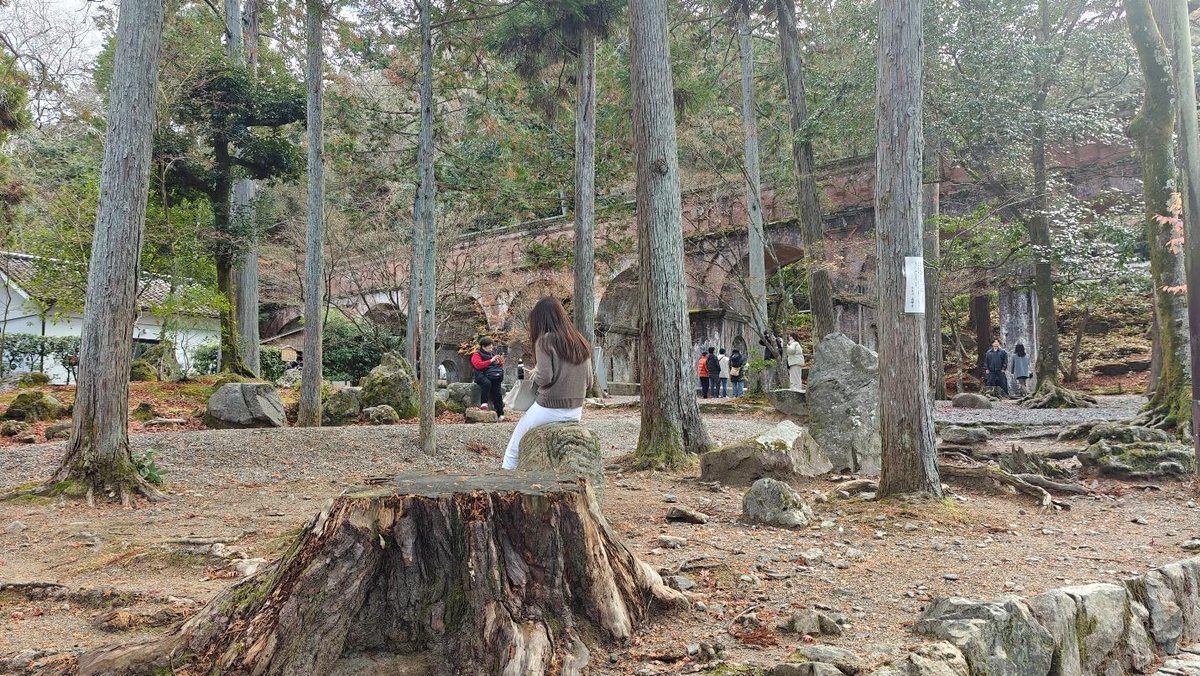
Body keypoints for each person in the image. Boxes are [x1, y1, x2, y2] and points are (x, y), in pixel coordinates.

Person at [502, 297, 594, 470]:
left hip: (549, 408)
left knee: (513, 449)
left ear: (540, 319)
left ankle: (504, 485)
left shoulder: (545, 340)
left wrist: (535, 373)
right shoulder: (581, 341)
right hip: (575, 410)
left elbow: (544, 378)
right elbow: (590, 382)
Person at [472, 337, 506, 420]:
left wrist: (498, 363)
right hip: (481, 375)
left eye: (491, 347)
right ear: (483, 346)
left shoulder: (492, 355)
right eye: (489, 347)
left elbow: (499, 367)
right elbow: (478, 365)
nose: (491, 348)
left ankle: (500, 413)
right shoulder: (476, 354)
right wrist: (491, 361)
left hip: (492, 376)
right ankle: (484, 403)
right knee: (487, 383)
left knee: (497, 391)